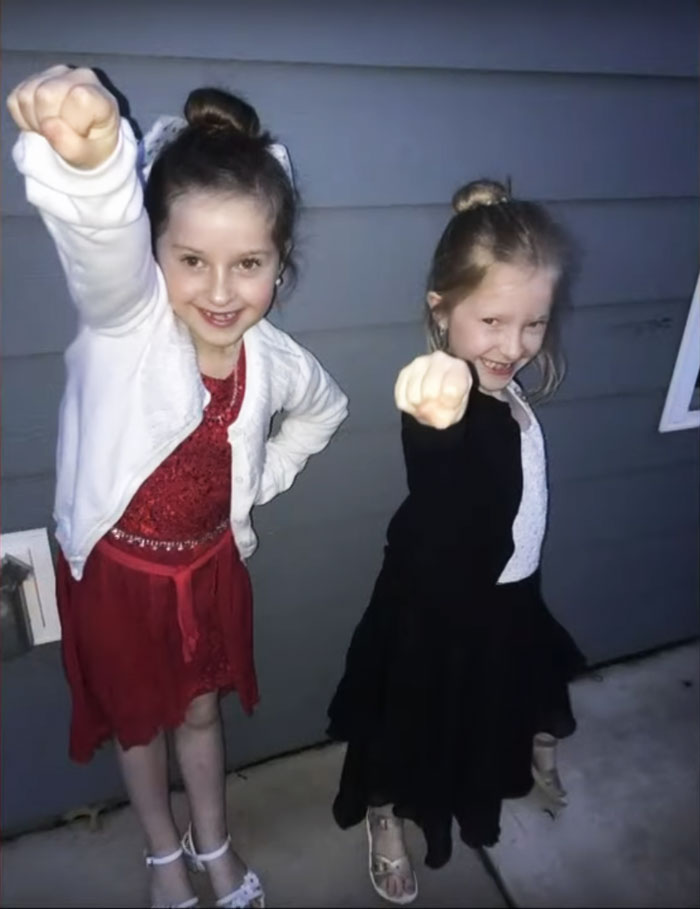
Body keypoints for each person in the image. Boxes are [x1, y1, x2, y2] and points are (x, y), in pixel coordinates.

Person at [8, 64, 348, 909]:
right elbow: (99, 252)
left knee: (199, 715)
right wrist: (89, 172)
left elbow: (323, 410)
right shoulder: (126, 324)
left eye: (249, 263)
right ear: (153, 250)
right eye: (191, 258)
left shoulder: (274, 360)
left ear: (279, 263)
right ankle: (163, 855)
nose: (221, 290)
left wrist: (259, 475)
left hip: (205, 571)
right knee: (139, 724)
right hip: (120, 577)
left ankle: (213, 838)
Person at [327, 179, 586, 904]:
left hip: (509, 591)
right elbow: (435, 454)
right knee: (408, 722)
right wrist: (433, 415)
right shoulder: (449, 394)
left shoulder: (509, 386)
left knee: (511, 687)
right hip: (435, 611)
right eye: (494, 321)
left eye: (534, 323)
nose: (515, 344)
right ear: (441, 312)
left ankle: (528, 738)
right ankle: (385, 815)